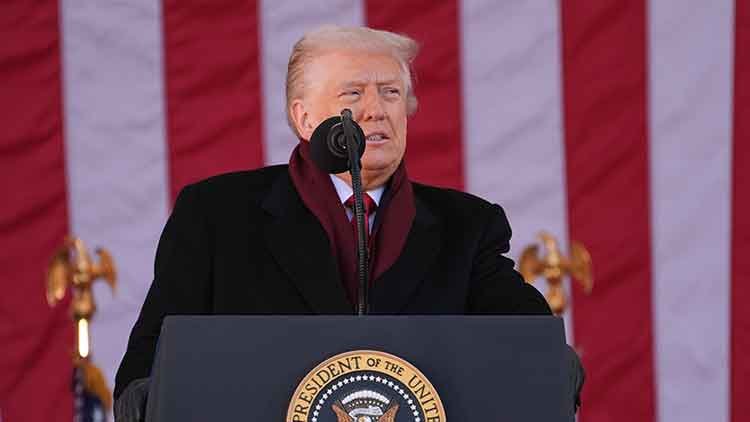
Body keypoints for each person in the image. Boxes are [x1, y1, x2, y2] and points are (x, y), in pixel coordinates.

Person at [113, 26, 583, 421]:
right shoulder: (217, 214)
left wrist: (553, 372)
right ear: (304, 118)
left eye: (391, 92)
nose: (375, 109)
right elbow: (145, 372)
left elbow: (540, 351)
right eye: (353, 93)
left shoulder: (467, 225)